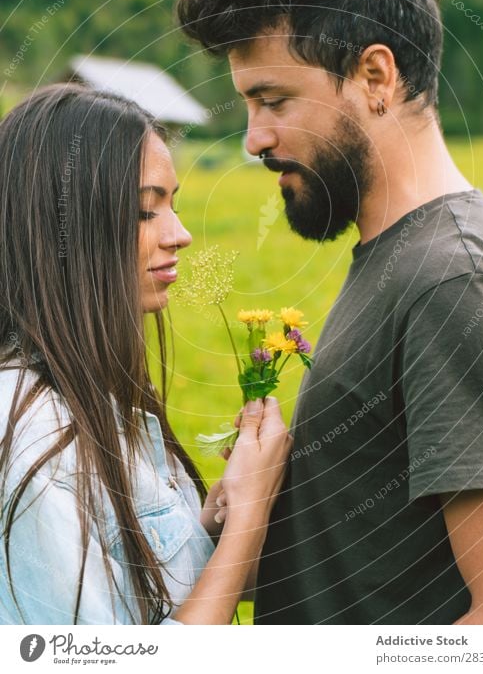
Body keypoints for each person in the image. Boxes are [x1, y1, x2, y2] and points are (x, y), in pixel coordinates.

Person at [176, 0, 483, 624]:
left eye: (273, 100)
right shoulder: (399, 256)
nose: (253, 138)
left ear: (376, 76)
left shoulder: (452, 281)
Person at [0, 83, 292, 625]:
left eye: (173, 205)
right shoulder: (30, 437)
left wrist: (207, 528)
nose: (179, 234)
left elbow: (145, 603)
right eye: (144, 211)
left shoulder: (101, 397)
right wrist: (249, 517)